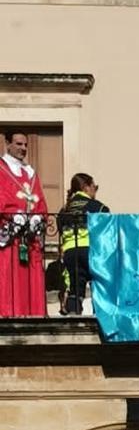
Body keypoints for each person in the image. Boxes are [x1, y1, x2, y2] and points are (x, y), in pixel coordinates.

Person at [0, 130, 48, 317]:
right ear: (8, 144)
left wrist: (38, 217)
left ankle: (33, 312)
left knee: (31, 277)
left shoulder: (31, 173)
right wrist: (13, 215)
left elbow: (40, 201)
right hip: (9, 235)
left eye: (26, 145)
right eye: (19, 144)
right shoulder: (1, 169)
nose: (24, 149)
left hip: (30, 237)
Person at [57, 173, 110, 315]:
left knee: (75, 289)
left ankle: (73, 321)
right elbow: (107, 231)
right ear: (86, 187)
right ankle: (100, 319)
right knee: (99, 285)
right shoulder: (98, 207)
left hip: (70, 252)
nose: (95, 191)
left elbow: (61, 233)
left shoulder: (63, 210)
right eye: (95, 187)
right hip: (91, 251)